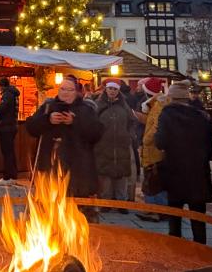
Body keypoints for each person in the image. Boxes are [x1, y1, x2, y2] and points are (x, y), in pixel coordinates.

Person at [28, 80, 104, 210]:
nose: (65, 93)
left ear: (76, 92)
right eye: (63, 89)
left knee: (74, 208)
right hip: (50, 165)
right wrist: (48, 120)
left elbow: (96, 133)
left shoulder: (85, 109)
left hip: (77, 168)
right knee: (49, 206)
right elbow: (31, 128)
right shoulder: (48, 107)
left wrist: (75, 121)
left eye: (70, 90)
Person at [156, 82, 212, 244]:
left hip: (175, 171)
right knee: (198, 216)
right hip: (198, 173)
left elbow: (160, 142)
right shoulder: (201, 117)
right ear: (186, 98)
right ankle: (201, 247)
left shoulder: (167, 114)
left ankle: (176, 247)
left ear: (171, 97)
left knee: (175, 215)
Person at [94, 81, 136, 210]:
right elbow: (93, 123)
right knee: (105, 175)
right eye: (110, 88)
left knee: (121, 175)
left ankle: (121, 202)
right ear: (106, 90)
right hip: (104, 145)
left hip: (121, 145)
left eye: (115, 89)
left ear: (118, 91)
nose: (112, 91)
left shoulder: (124, 106)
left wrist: (129, 135)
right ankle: (106, 202)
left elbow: (132, 121)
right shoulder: (98, 105)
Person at [138, 79, 171, 222]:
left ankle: (157, 210)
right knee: (152, 180)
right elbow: (151, 121)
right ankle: (154, 209)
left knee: (154, 180)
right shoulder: (155, 104)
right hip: (153, 150)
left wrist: (146, 139)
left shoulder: (159, 105)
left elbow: (157, 125)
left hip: (154, 150)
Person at [0, 77, 21, 186]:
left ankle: (7, 176)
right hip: (11, 126)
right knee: (10, 152)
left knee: (7, 152)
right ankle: (12, 176)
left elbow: (2, 109)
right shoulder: (13, 94)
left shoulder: (7, 95)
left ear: (2, 86)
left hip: (6, 127)